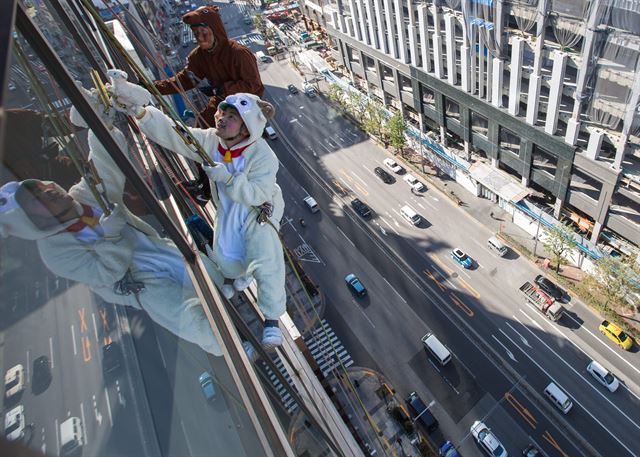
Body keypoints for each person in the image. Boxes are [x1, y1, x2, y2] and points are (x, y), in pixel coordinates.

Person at [0, 94, 256, 360]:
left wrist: (100, 126)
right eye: (38, 199)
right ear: (33, 222)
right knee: (184, 315)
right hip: (138, 283)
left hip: (154, 250)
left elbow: (104, 165)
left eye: (40, 186)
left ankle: (223, 286)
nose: (48, 189)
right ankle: (230, 347)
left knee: (195, 269)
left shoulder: (84, 198)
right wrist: (110, 236)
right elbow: (106, 273)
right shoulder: (56, 253)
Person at [109, 73, 287, 350]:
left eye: (231, 117)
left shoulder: (263, 155)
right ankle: (237, 275)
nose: (221, 119)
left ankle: (273, 319)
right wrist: (141, 112)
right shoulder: (211, 142)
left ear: (246, 128)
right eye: (221, 113)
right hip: (230, 212)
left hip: (258, 211)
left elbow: (258, 194)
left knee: (265, 254)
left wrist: (227, 178)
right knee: (227, 255)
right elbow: (177, 135)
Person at [155, 5, 265, 205]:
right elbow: (186, 80)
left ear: (214, 30)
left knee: (221, 142)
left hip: (243, 107)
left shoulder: (239, 54)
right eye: (196, 33)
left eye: (203, 32)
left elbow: (254, 85)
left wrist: (224, 90)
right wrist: (154, 87)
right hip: (221, 104)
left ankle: (221, 185)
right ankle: (205, 185)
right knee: (199, 134)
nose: (199, 37)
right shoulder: (200, 56)